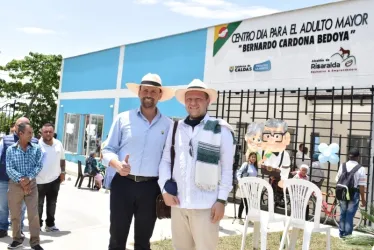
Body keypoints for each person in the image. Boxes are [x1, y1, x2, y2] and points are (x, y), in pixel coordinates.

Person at [159, 79, 235, 250]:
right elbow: (165, 160)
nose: (193, 103)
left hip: (206, 207)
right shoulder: (176, 127)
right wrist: (164, 189)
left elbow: (228, 169)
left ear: (208, 101)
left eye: (198, 99)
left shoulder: (221, 130)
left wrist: (221, 200)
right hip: (179, 204)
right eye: (189, 99)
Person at [102, 73, 174, 250]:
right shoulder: (122, 118)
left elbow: (169, 159)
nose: (148, 94)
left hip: (150, 189)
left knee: (143, 241)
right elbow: (106, 150)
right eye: (145, 90)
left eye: (153, 91)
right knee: (117, 239)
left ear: (160, 95)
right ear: (139, 93)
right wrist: (117, 164)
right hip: (123, 185)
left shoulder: (169, 125)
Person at [6, 122, 44, 250]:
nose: (32, 135)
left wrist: (28, 179)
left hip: (31, 185)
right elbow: (9, 168)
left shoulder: (36, 148)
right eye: (29, 133)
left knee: (33, 214)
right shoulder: (11, 149)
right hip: (15, 185)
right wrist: (21, 180)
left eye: (32, 133)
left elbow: (39, 165)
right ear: (20, 134)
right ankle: (16, 240)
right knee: (15, 215)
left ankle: (35, 242)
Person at [0, 117, 38, 238]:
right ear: (15, 127)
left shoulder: (35, 142)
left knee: (21, 208)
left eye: (26, 124)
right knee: (3, 206)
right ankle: (2, 227)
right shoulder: (5, 140)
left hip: (25, 183)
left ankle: (18, 229)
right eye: (20, 124)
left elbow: (39, 163)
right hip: (4, 179)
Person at [37, 123, 66, 232]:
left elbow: (62, 159)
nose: (48, 134)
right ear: (42, 133)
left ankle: (50, 224)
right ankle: (38, 225)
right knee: (38, 204)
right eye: (46, 132)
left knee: (52, 203)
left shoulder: (58, 144)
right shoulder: (37, 145)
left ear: (53, 132)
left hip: (55, 180)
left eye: (50, 131)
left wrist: (63, 172)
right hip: (39, 180)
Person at [335, 148, 366, 238]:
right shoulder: (361, 169)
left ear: (349, 156)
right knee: (349, 214)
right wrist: (363, 199)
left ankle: (341, 233)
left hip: (343, 193)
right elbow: (361, 185)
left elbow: (337, 179)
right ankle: (347, 235)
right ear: (358, 157)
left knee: (343, 212)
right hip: (354, 193)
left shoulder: (342, 165)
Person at [236, 151, 258, 225]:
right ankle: (239, 218)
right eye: (252, 157)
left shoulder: (255, 166)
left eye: (255, 157)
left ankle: (247, 218)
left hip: (252, 187)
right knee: (243, 202)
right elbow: (239, 173)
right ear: (249, 157)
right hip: (245, 185)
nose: (254, 158)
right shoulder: (246, 164)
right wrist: (240, 181)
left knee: (249, 203)